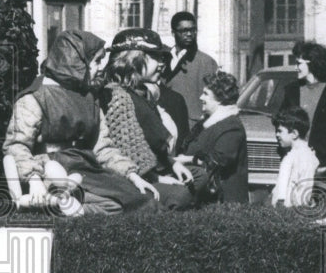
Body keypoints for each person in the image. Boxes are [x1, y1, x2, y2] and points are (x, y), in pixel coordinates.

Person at [3, 30, 158, 215]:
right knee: (116, 203)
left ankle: (67, 207)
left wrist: (131, 175)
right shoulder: (34, 98)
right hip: (51, 171)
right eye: (97, 61)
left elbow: (103, 147)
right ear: (76, 62)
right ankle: (64, 205)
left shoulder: (89, 98)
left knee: (141, 199)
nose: (101, 68)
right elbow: (17, 146)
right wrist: (34, 179)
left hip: (84, 168)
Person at [98, 29, 193, 210]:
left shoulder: (139, 94)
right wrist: (158, 176)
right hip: (127, 178)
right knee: (181, 194)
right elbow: (132, 152)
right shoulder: (117, 97)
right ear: (134, 59)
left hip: (147, 173)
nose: (162, 64)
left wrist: (170, 164)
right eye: (156, 57)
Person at [282, 41, 326, 184]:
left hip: (324, 165)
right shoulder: (291, 91)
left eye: (299, 63)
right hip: (296, 160)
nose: (296, 67)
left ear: (312, 63)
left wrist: (316, 156)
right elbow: (281, 122)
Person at [176, 71, 249, 204]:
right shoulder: (206, 122)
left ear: (220, 99)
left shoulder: (232, 126)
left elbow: (219, 160)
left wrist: (186, 159)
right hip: (205, 199)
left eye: (206, 94)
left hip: (224, 204)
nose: (200, 97)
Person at [164, 11, 219, 125]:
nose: (189, 34)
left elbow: (215, 100)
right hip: (165, 125)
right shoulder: (163, 58)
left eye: (192, 30)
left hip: (191, 127)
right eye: (184, 31)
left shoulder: (206, 62)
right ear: (173, 32)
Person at [270, 106, 319, 208]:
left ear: (294, 134)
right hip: (302, 206)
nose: (277, 135)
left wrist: (280, 201)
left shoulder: (289, 158)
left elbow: (282, 183)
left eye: (280, 131)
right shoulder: (310, 155)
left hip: (286, 207)